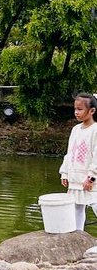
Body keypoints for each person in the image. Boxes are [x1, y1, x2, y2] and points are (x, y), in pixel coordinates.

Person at [60, 92, 97, 231]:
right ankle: (77, 236)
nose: (76, 112)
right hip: (75, 177)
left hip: (90, 178)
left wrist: (91, 177)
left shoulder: (95, 130)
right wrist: (64, 172)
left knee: (95, 204)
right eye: (75, 109)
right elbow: (70, 153)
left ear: (92, 111)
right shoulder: (75, 129)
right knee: (76, 207)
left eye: (80, 109)